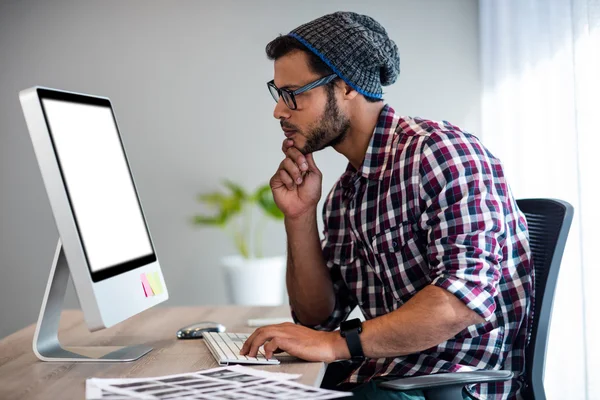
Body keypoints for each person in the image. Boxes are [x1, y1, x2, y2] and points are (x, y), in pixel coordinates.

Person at [239, 11, 533, 400]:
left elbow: (463, 300)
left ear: (345, 86)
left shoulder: (441, 154)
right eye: (279, 95)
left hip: (450, 386)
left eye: (293, 94)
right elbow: (317, 317)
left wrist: (334, 346)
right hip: (385, 377)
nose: (279, 111)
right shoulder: (346, 193)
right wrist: (299, 216)